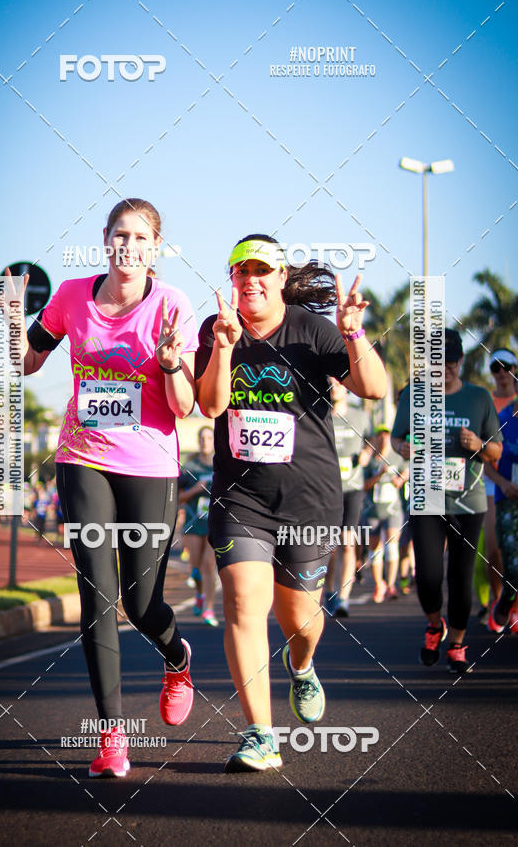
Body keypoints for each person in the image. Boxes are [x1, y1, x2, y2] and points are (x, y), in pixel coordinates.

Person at [3, 197, 198, 779]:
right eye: (120, 234)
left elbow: (186, 408)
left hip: (151, 465)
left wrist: (168, 365)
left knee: (140, 603)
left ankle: (177, 657)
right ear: (105, 239)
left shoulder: (173, 304)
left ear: (155, 247)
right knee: (96, 594)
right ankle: (112, 735)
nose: (129, 246)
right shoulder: (70, 296)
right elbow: (29, 363)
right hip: (83, 457)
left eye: (141, 237)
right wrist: (15, 318)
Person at [195, 235, 387, 771]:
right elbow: (209, 405)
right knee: (241, 603)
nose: (251, 279)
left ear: (281, 278)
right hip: (242, 498)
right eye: (241, 271)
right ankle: (261, 734)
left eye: (262, 270)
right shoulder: (216, 332)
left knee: (300, 620)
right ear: (232, 278)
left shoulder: (312, 330)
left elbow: (373, 387)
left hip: (310, 498)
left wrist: (352, 332)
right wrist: (227, 346)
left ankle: (301, 666)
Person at [391, 329, 502, 674]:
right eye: (439, 363)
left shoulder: (479, 398)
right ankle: (433, 625)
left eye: (452, 363)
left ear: (461, 362)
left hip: (468, 503)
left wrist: (478, 447)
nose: (446, 369)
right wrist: (402, 449)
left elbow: (495, 450)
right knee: (427, 575)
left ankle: (456, 644)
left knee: (460, 577)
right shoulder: (413, 394)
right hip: (427, 497)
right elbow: (396, 438)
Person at [323, 377, 372, 617]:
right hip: (326, 489)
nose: (335, 388)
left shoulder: (360, 416)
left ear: (346, 386)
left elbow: (371, 441)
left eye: (339, 383)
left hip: (352, 489)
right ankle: (329, 591)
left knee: (347, 543)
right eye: (330, 384)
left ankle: (343, 599)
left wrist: (366, 454)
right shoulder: (320, 414)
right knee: (328, 547)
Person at [479, 349, 518, 613]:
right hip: (494, 482)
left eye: (508, 366)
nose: (502, 372)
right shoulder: (490, 406)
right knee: (493, 551)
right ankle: (499, 599)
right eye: (496, 367)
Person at [484, 392, 518, 632]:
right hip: (507, 499)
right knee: (510, 562)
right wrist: (503, 483)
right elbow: (484, 461)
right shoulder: (501, 419)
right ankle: (506, 599)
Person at [178, 425, 219, 626]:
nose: (205, 441)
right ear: (198, 441)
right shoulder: (190, 468)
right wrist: (195, 489)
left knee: (209, 565)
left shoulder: (220, 465)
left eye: (209, 438)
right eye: (202, 438)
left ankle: (208, 608)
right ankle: (199, 594)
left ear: (214, 441)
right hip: (194, 523)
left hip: (214, 523)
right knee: (195, 567)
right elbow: (177, 498)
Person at [362, 425, 407, 602]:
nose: (383, 440)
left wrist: (402, 477)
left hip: (392, 509)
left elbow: (409, 468)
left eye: (386, 437)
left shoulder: (397, 457)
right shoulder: (370, 461)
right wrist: (379, 476)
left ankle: (390, 585)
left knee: (392, 545)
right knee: (375, 549)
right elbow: (364, 486)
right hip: (373, 510)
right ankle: (378, 583)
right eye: (379, 437)